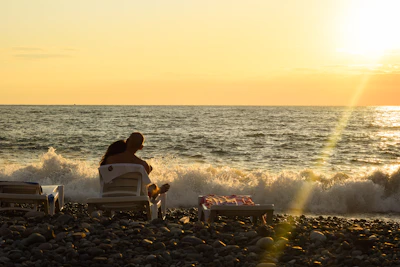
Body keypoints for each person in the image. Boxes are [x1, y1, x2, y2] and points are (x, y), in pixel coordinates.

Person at [100, 132, 170, 199]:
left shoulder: (109, 159)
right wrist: (149, 169)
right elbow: (144, 184)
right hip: (135, 198)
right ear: (141, 147)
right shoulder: (143, 165)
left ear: (127, 141)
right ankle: (158, 190)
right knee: (152, 187)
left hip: (110, 196)